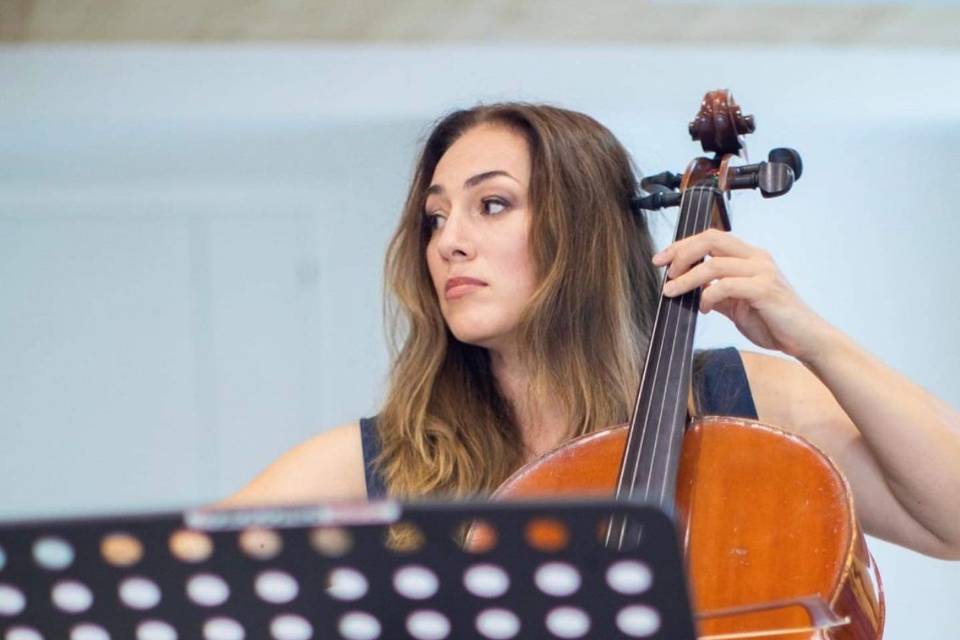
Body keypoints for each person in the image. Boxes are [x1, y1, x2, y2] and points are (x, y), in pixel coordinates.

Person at [218, 103, 960, 561]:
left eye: (494, 205)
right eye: (436, 217)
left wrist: (812, 340)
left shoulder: (745, 403)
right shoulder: (392, 456)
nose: (448, 241)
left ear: (585, 229)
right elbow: (176, 581)